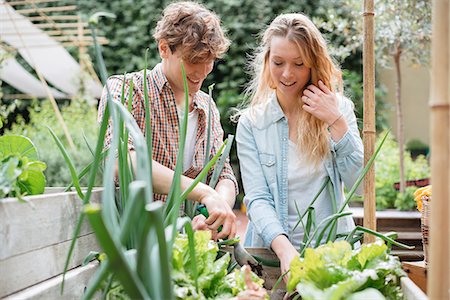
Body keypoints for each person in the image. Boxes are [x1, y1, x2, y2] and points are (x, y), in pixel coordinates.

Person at [236, 13, 363, 279]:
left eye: (298, 63)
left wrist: (336, 122)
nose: (287, 73)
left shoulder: (339, 110)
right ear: (267, 60)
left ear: (313, 64)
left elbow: (361, 185)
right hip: (270, 255)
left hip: (333, 252)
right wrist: (285, 251)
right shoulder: (252, 123)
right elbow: (257, 198)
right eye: (278, 62)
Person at [98, 1, 238, 240]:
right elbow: (122, 161)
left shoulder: (208, 107)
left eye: (209, 60)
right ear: (164, 48)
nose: (203, 71)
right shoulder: (127, 90)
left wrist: (217, 212)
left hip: (192, 249)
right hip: (137, 247)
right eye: (193, 60)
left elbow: (223, 174)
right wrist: (202, 192)